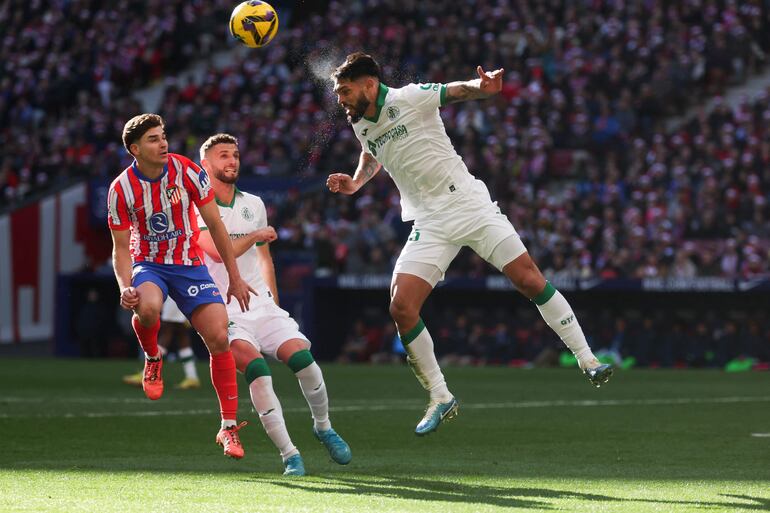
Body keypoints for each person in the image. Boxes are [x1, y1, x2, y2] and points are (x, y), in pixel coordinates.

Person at [326, 52, 613, 436]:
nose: (340, 99)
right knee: (401, 306)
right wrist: (357, 182)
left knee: (528, 279)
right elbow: (370, 151)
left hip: (467, 203)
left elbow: (455, 91)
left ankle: (587, 358)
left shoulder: (409, 97)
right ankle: (441, 397)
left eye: (345, 91)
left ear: (369, 85)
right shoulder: (360, 123)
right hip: (429, 219)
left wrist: (484, 87)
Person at [195, 133, 352, 476]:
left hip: (261, 306)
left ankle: (323, 427)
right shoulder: (196, 208)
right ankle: (290, 455)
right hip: (222, 310)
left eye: (235, 155)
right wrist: (254, 235)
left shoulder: (254, 203)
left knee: (305, 361)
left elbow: (265, 260)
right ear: (205, 165)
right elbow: (217, 251)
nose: (232, 161)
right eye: (223, 156)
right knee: (258, 373)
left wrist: (274, 305)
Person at [107, 113, 254, 459]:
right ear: (135, 148)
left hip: (189, 265)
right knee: (147, 307)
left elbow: (215, 225)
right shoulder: (120, 189)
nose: (163, 143)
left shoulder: (186, 170)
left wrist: (234, 276)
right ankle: (153, 357)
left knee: (219, 338)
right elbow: (119, 248)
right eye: (153, 139)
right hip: (149, 263)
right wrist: (123, 286)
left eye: (163, 136)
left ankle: (227, 428)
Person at [122, 297, 201, 389]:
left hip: (176, 293)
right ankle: (192, 377)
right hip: (180, 292)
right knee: (181, 332)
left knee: (167, 328)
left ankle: (147, 373)